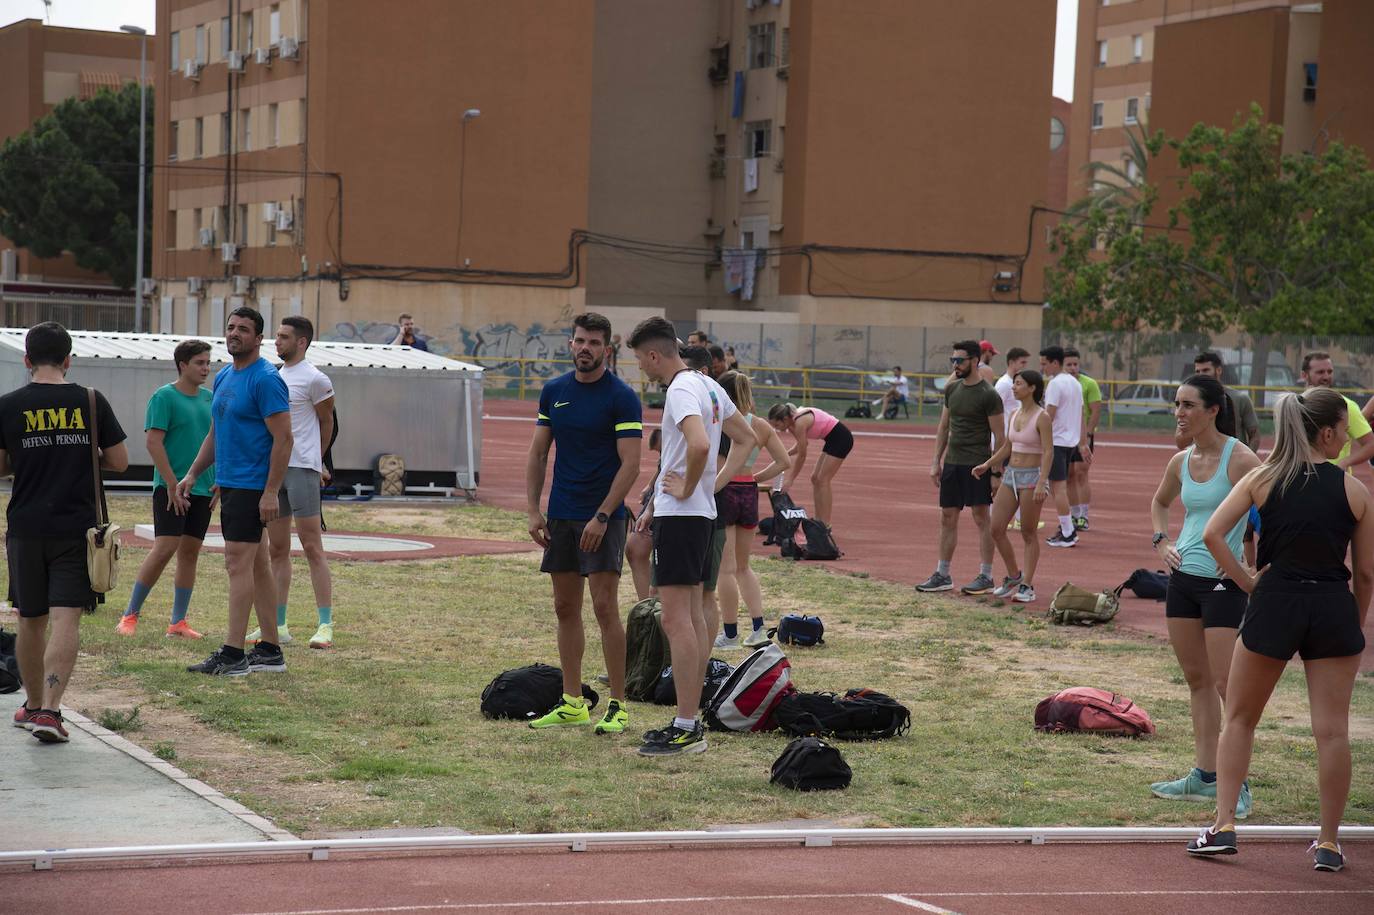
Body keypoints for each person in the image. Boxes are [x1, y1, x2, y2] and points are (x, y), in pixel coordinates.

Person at [1187, 388, 1372, 873]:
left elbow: (1212, 535)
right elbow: (1368, 573)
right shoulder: (1354, 490)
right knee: (1332, 733)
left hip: (1275, 601)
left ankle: (1224, 825)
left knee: (1241, 719)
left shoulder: (1262, 478)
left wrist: (1247, 580)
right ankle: (1329, 843)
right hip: (1332, 604)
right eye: (1344, 432)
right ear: (1328, 432)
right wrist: (1355, 619)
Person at [628, 316, 752, 757]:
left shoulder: (681, 388)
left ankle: (686, 727)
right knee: (696, 617)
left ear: (655, 354)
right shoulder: (709, 384)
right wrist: (711, 486)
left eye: (641, 359)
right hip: (699, 514)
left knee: (676, 619)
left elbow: (699, 445)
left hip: (682, 515)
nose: (641, 367)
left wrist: (688, 486)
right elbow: (745, 437)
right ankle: (691, 718)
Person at [3, 322, 128, 743]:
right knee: (65, 618)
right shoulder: (91, 401)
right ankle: (52, 713)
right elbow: (120, 461)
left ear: (26, 360)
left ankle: (32, 704)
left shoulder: (9, 405)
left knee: (29, 620)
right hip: (77, 528)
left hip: (25, 526)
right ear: (68, 359)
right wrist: (78, 450)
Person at [525, 313, 643, 736]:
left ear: (606, 348)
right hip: (561, 513)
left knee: (605, 607)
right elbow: (539, 454)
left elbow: (631, 464)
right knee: (564, 607)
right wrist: (533, 510)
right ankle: (573, 701)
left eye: (594, 342)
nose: (585, 348)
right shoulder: (554, 391)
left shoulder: (622, 397)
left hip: (603, 518)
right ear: (570, 344)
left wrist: (603, 515)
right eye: (579, 341)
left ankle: (619, 705)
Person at [1148, 375, 1260, 819]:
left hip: (1223, 585)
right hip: (1183, 581)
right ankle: (1204, 776)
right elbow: (1159, 503)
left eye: (1189, 405)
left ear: (1214, 409)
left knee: (1225, 685)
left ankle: (1239, 783)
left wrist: (1249, 567)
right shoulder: (1180, 460)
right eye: (1177, 404)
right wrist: (1161, 541)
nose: (1180, 412)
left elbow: (1269, 511)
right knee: (1197, 682)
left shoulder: (1241, 458)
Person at [178, 307, 293, 677]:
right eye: (230, 328)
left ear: (259, 339)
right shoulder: (226, 374)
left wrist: (271, 491)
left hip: (252, 486)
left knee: (236, 564)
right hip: (231, 483)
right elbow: (216, 432)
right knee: (257, 565)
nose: (235, 334)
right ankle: (271, 650)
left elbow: (284, 439)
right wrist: (194, 472)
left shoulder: (266, 379)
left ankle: (232, 654)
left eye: (244, 329)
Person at [115, 340, 215, 640]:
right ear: (182, 365)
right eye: (200, 362)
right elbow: (153, 443)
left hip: (203, 489)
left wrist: (218, 480)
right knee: (164, 549)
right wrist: (172, 483)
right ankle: (129, 615)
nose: (206, 368)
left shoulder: (211, 398)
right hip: (170, 488)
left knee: (190, 553)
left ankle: (178, 622)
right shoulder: (164, 397)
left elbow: (218, 442)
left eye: (208, 362)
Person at [260, 317, 337, 651]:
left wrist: (317, 460)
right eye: (277, 336)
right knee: (276, 549)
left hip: (303, 469)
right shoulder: (274, 375)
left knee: (311, 547)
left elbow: (327, 421)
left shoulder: (316, 379)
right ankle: (278, 624)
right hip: (276, 471)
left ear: (302, 342)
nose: (277, 342)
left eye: (283, 337)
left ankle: (325, 625)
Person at [917, 340, 1004, 594]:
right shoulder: (952, 389)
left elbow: (1000, 437)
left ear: (975, 361)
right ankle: (943, 574)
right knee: (947, 517)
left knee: (981, 518)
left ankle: (986, 576)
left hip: (978, 464)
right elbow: (944, 427)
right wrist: (936, 461)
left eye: (960, 360)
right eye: (952, 360)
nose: (955, 365)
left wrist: (996, 472)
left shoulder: (989, 394)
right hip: (953, 463)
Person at [712, 371, 791, 649]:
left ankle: (730, 633)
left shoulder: (722, 422)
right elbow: (784, 462)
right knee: (744, 567)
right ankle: (758, 628)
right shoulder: (760, 425)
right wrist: (756, 478)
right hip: (748, 491)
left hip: (725, 489)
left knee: (725, 569)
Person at [972, 369, 1052, 602]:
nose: (1013, 387)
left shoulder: (1042, 417)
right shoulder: (1015, 413)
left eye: (1018, 384)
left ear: (1032, 388)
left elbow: (1048, 451)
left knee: (1028, 532)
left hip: (1032, 477)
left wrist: (1041, 482)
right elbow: (1008, 446)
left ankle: (1027, 585)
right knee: (996, 528)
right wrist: (987, 465)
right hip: (1011, 476)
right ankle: (1013, 575)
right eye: (1014, 383)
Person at [767, 402, 854, 527]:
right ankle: (819, 520)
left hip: (842, 439)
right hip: (831, 440)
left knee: (823, 480)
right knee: (815, 479)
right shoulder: (791, 425)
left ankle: (825, 524)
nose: (776, 428)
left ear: (785, 419)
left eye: (777, 424)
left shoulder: (799, 423)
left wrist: (790, 480)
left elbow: (802, 455)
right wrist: (785, 454)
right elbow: (801, 445)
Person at [1040, 345, 1087, 548]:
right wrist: (1082, 441)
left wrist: (1034, 431)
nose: (1042, 368)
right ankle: (1066, 528)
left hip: (1057, 441)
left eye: (1044, 364)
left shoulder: (1055, 384)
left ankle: (1068, 532)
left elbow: (1048, 413)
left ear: (1054, 363)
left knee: (1057, 488)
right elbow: (1080, 413)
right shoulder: (1074, 383)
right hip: (1070, 442)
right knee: (1061, 487)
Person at [1301, 351, 1374, 471]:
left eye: (1329, 372)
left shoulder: (1346, 406)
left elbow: (1371, 444)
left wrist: (1344, 463)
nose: (1326, 377)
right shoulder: (1296, 405)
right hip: (1302, 480)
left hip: (1335, 484)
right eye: (1320, 372)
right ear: (1304, 375)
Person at [1182, 352, 1259, 452]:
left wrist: (1247, 458)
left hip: (1233, 460)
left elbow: (1254, 435)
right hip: (1204, 461)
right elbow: (1181, 442)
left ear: (1218, 370)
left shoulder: (1240, 398)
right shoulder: (1191, 401)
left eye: (1205, 370)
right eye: (1197, 371)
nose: (1201, 375)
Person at [1064, 347, 1102, 532]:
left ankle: (1084, 516)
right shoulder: (1059, 384)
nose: (1072, 368)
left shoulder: (1088, 384)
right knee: (1069, 475)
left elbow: (1095, 410)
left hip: (1082, 435)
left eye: (1075, 364)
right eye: (1069, 365)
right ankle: (1074, 513)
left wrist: (1087, 435)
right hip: (1065, 436)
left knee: (1081, 473)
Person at [626, 428, 662, 601]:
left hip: (670, 501)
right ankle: (647, 608)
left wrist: (651, 507)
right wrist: (650, 485)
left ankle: (655, 605)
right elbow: (664, 464)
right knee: (634, 549)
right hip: (658, 497)